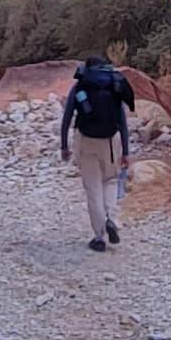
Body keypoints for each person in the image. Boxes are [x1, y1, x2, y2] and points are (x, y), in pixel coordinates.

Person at [59, 55, 136, 251]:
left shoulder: (80, 86)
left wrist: (64, 146)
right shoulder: (114, 85)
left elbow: (67, 118)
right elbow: (122, 122)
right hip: (111, 142)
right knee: (110, 180)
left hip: (86, 142)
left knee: (93, 189)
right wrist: (126, 151)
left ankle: (99, 237)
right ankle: (112, 218)